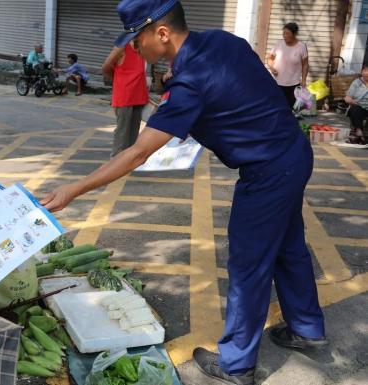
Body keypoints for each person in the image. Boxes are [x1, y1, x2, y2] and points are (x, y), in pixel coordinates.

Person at [41, 1, 326, 384]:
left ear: (161, 33)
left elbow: (137, 152)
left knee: (248, 265)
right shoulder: (224, 41)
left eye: (136, 40)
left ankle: (237, 364)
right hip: (294, 151)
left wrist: (74, 188)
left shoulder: (190, 83)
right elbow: (244, 92)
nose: (133, 49)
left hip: (267, 173)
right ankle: (307, 329)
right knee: (289, 247)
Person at [103, 41, 149, 157]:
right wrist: (118, 80)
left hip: (139, 94)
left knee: (134, 129)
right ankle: (116, 159)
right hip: (124, 94)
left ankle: (129, 158)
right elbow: (106, 67)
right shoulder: (122, 47)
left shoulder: (144, 47)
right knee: (122, 130)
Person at [267, 22, 309, 109]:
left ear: (294, 34)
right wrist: (271, 67)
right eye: (283, 33)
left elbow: (305, 65)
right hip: (277, 82)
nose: (284, 36)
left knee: (290, 108)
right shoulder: (278, 44)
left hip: (293, 84)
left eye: (287, 33)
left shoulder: (301, 47)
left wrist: (304, 80)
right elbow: (270, 59)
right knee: (276, 106)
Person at [343, 65, 368, 145]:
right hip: (359, 107)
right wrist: (351, 101)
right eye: (365, 70)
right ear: (362, 72)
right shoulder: (357, 82)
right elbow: (347, 98)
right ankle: (359, 132)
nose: (366, 73)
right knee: (354, 110)